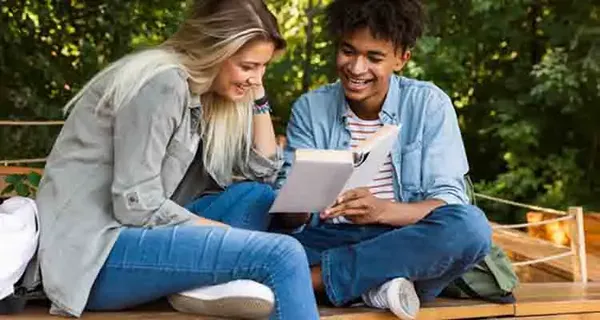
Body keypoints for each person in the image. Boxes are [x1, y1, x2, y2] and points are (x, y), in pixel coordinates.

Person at [31, 0, 319, 319]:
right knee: (282, 254)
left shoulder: (205, 93)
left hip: (141, 237)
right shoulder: (161, 85)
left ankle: (201, 284)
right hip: (95, 257)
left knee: (260, 198)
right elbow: (136, 203)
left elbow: (261, 176)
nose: (256, 78)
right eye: (248, 66)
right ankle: (207, 279)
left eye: (263, 67)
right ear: (214, 51)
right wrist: (223, 234)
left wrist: (259, 98)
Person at [275, 0, 492, 319]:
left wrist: (382, 210)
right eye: (348, 51)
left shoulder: (429, 104)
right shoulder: (311, 108)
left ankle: (315, 281)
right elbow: (291, 220)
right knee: (270, 247)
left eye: (374, 57)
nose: (356, 68)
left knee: (471, 228)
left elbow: (447, 201)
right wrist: (299, 201)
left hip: (404, 241)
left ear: (402, 58)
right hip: (330, 240)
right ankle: (378, 287)